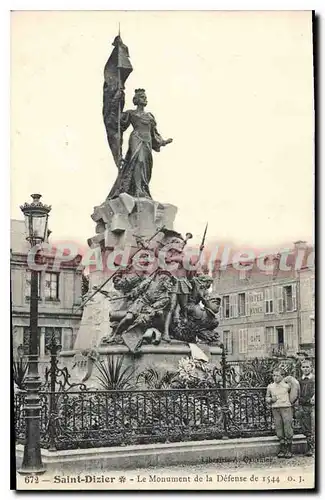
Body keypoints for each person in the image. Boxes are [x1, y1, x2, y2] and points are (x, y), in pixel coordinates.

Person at [107, 88, 172, 199]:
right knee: (139, 161)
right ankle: (137, 189)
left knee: (146, 166)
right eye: (142, 97)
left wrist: (163, 142)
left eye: (145, 97)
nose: (145, 99)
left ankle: (142, 189)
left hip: (148, 142)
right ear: (136, 100)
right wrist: (116, 100)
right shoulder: (131, 113)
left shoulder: (150, 116)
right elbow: (117, 121)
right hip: (137, 138)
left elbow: (154, 133)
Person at [266, 369, 295, 458]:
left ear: (282, 376)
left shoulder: (287, 386)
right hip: (275, 408)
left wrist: (292, 403)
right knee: (279, 427)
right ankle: (282, 448)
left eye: (277, 375)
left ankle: (289, 449)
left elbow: (294, 395)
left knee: (287, 426)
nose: (275, 377)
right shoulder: (270, 386)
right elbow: (267, 397)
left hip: (286, 408)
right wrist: (270, 400)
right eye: (274, 375)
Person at [296, 359, 315, 456]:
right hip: (303, 406)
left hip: (312, 406)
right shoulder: (299, 380)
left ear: (311, 368)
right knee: (306, 426)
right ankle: (309, 447)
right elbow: (296, 392)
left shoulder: (315, 379)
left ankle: (313, 447)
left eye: (307, 367)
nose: (305, 369)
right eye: (303, 367)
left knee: (313, 426)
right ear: (301, 368)